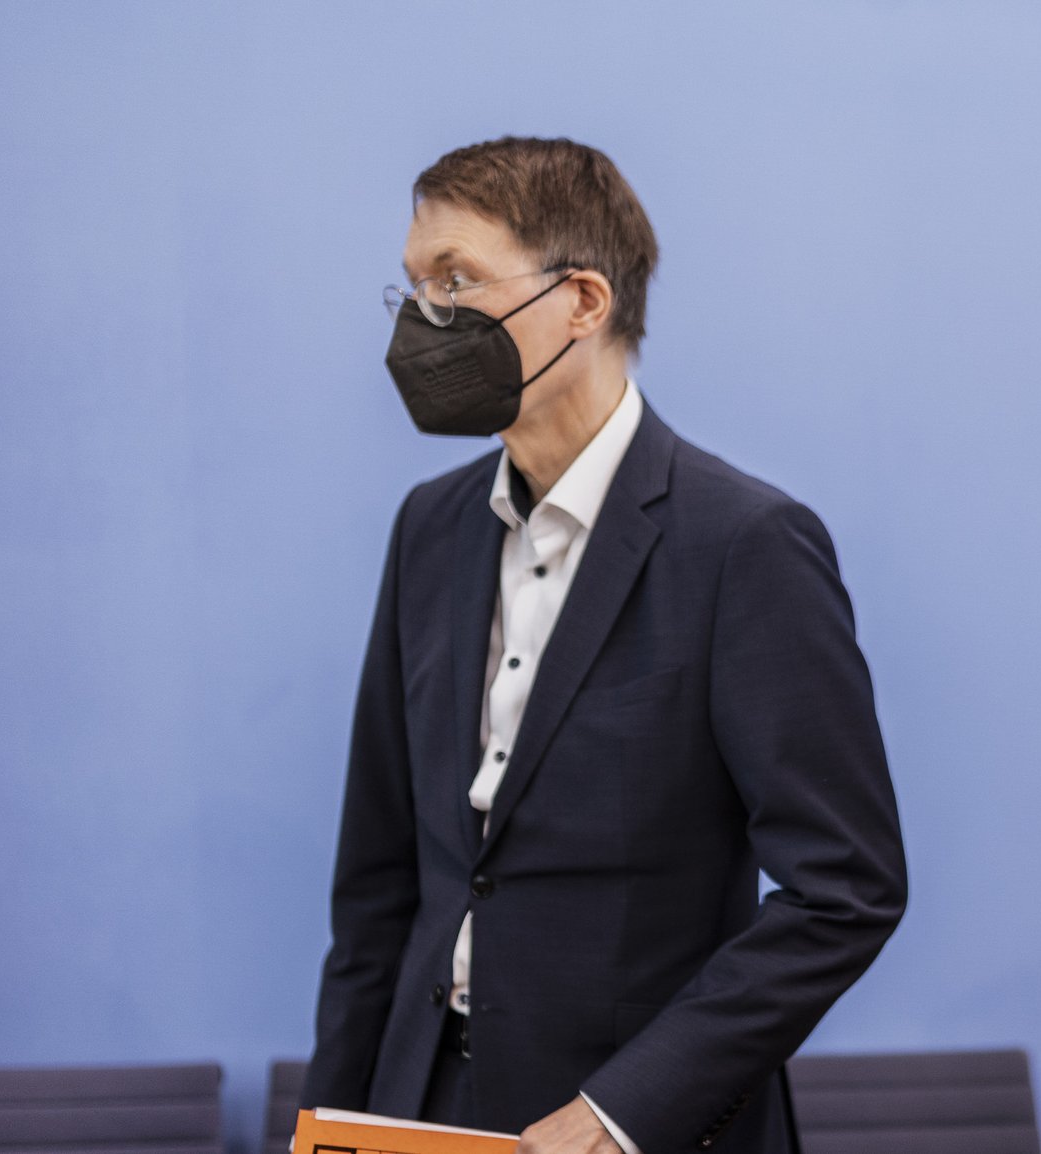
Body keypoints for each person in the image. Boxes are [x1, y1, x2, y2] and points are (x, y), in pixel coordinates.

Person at [302, 137, 908, 1154]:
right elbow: (378, 880)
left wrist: (624, 1109)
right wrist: (329, 1121)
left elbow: (845, 890)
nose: (423, 318)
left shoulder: (744, 543)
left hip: (633, 1122)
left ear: (582, 301)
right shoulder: (427, 529)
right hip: (417, 1104)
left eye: (455, 279)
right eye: (411, 285)